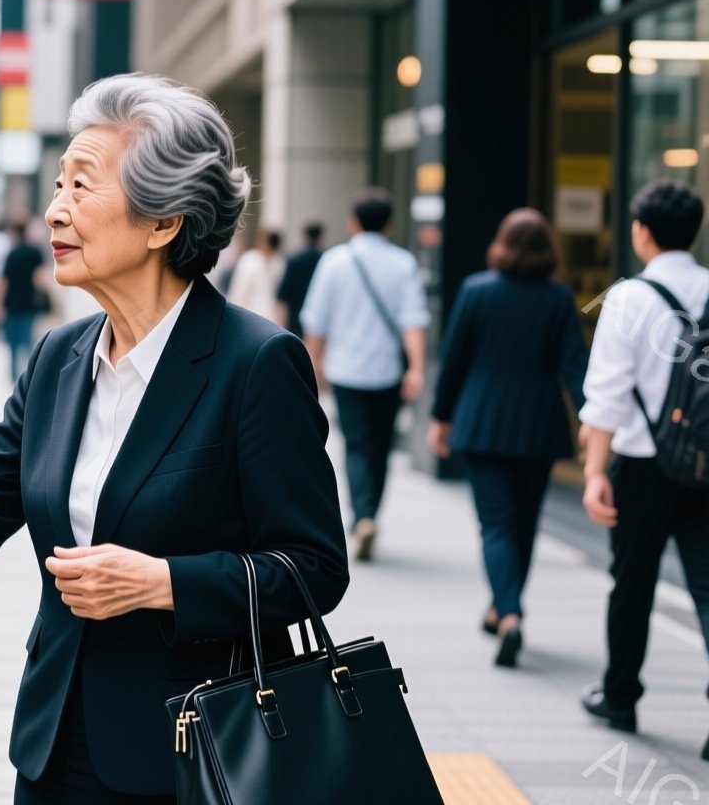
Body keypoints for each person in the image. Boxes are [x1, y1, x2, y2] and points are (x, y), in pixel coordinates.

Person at [0, 74, 348, 803]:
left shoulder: (256, 363)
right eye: (59, 183)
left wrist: (162, 583)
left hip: (198, 748)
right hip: (55, 742)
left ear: (164, 222)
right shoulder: (60, 355)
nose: (55, 208)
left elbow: (313, 567)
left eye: (82, 187)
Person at [578, 180, 709, 748]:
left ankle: (621, 695)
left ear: (642, 231)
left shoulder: (630, 297)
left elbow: (606, 394)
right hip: (705, 466)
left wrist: (593, 474)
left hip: (643, 464)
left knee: (631, 583)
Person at [427, 208, 586, 668]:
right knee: (524, 525)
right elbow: (574, 366)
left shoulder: (477, 290)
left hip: (483, 421)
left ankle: (508, 612)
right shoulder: (558, 298)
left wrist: (440, 417)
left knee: (495, 525)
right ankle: (505, 606)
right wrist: (593, 419)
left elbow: (454, 359)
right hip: (539, 426)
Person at [301, 189, 430, 561]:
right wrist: (417, 367)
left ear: (353, 222)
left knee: (356, 444)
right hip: (388, 371)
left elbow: (316, 321)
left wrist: (315, 364)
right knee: (382, 446)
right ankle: (370, 512)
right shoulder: (403, 263)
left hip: (346, 370)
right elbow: (413, 321)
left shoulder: (334, 262)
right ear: (389, 223)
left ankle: (362, 515)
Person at [0, 220, 48, 383]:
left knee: (12, 343)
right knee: (29, 338)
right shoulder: (35, 252)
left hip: (12, 302)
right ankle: (32, 374)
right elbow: (40, 278)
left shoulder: (12, 253)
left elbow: (4, 281)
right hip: (29, 301)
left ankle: (14, 378)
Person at [276, 220, 325, 338]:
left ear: (305, 235)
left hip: (295, 318)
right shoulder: (325, 260)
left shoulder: (293, 260)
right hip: (319, 321)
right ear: (321, 236)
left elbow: (283, 295)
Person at [225, 227, 284, 322]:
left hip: (259, 318)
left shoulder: (251, 261)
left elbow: (238, 292)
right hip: (255, 317)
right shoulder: (278, 263)